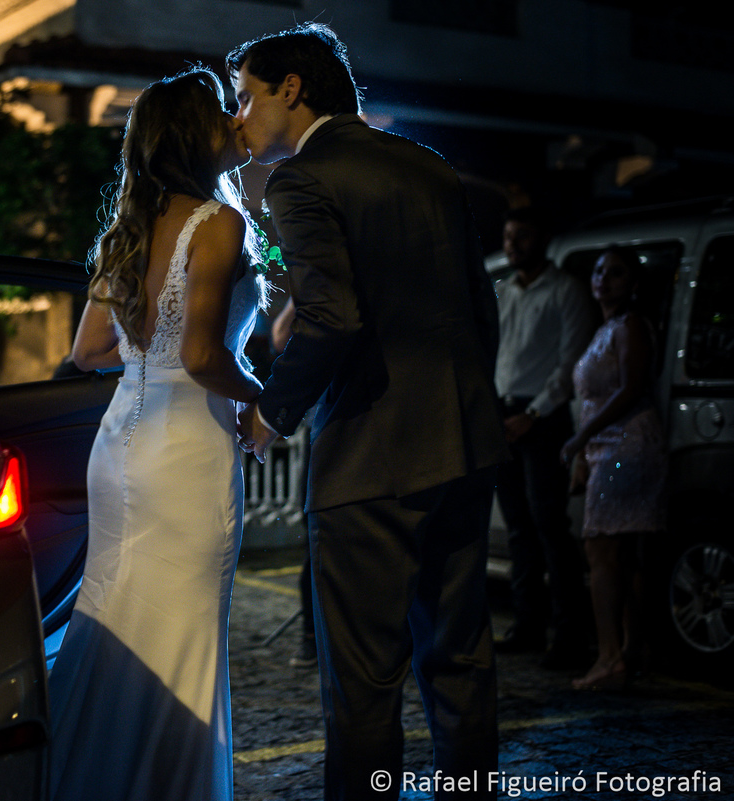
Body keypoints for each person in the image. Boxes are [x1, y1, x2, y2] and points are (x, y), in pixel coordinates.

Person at [228, 23, 509, 801]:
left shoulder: (300, 180)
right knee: (461, 656)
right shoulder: (429, 167)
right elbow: (481, 308)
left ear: (293, 88)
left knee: (363, 679)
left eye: (246, 96)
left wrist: (271, 414)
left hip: (370, 454)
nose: (238, 116)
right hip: (463, 441)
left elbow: (332, 317)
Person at [48, 66, 266, 801]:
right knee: (181, 625)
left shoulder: (129, 228)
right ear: (193, 134)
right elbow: (206, 356)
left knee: (114, 611)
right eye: (221, 111)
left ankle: (89, 775)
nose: (235, 121)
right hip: (185, 453)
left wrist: (150, 355)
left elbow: (89, 351)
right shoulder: (219, 223)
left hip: (119, 447)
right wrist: (267, 401)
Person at [559, 246, 666, 690]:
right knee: (618, 555)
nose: (604, 279)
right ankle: (629, 649)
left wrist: (581, 439)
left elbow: (630, 388)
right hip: (607, 445)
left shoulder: (629, 327)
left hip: (626, 444)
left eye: (616, 273)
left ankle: (609, 657)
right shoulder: (606, 328)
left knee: (602, 551)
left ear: (634, 284)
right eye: (599, 271)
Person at [493, 207, 596, 668]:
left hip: (543, 419)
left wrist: (533, 414)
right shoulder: (504, 291)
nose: (513, 244)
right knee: (518, 529)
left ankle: (568, 634)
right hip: (505, 413)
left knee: (550, 527)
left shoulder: (566, 291)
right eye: (509, 236)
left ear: (542, 239)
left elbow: (571, 362)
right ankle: (527, 624)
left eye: (522, 236)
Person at [270, 298, 317, 669]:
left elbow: (282, 336)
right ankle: (312, 637)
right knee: (316, 542)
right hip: (323, 431)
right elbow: (281, 337)